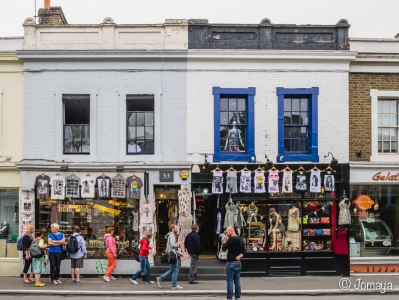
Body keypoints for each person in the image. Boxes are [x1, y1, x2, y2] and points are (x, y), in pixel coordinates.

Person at [222, 226, 246, 300]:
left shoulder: (231, 240)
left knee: (230, 281)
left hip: (231, 262)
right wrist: (239, 256)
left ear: (231, 231)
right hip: (238, 263)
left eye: (227, 232)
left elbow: (223, 248)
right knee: (237, 280)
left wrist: (224, 241)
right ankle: (237, 297)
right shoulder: (240, 239)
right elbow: (243, 252)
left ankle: (229, 297)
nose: (226, 233)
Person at [156, 224, 183, 290]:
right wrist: (178, 244)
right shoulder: (171, 236)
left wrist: (179, 253)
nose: (177, 229)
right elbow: (172, 245)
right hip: (172, 256)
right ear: (173, 229)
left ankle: (160, 278)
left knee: (173, 270)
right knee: (176, 270)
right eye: (176, 228)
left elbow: (171, 248)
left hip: (172, 255)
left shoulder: (171, 235)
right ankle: (174, 285)